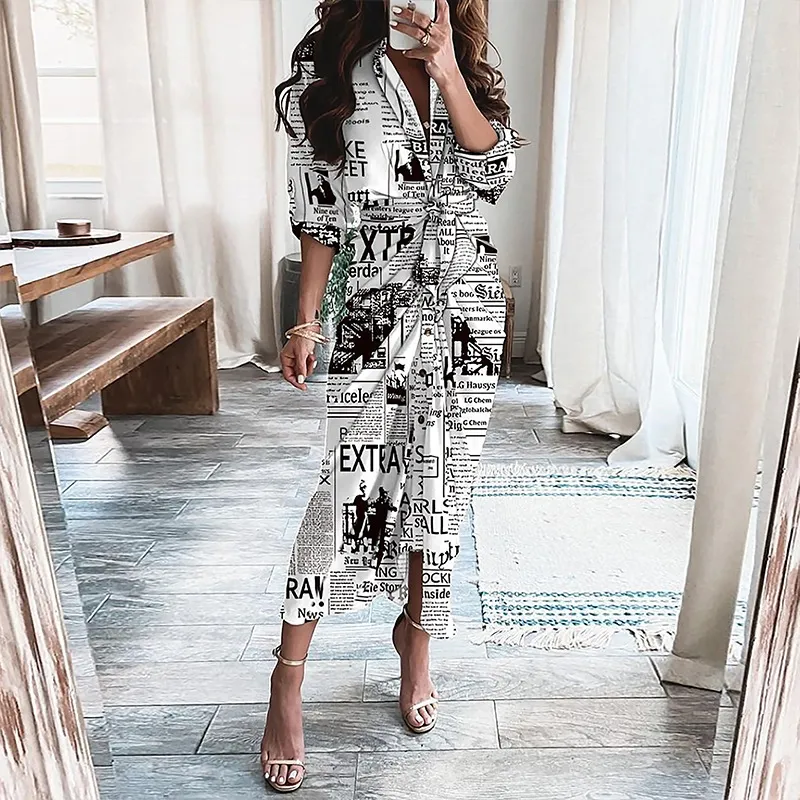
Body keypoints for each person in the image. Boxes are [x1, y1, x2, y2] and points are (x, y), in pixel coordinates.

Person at [264, 0, 518, 791]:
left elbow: (492, 175)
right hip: (376, 310)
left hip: (467, 313)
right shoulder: (330, 73)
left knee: (437, 494)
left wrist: (447, 71)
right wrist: (306, 322)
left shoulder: (462, 63)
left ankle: (418, 643)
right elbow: (318, 217)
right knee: (347, 493)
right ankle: (287, 678)